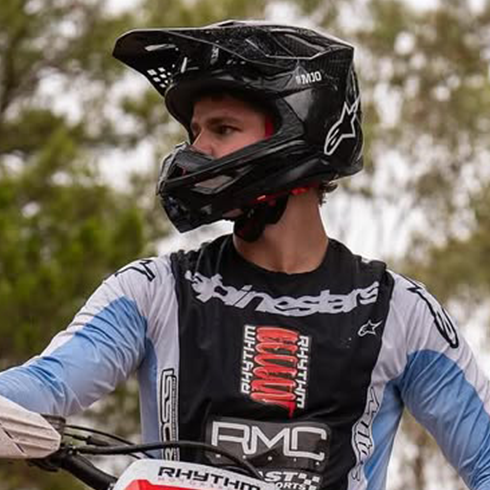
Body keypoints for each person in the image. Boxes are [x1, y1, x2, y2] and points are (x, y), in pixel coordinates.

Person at [0, 20, 489, 490]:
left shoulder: (399, 311)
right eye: (195, 132)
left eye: (223, 128)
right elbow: (48, 383)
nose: (197, 149)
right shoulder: (151, 291)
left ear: (299, 132)